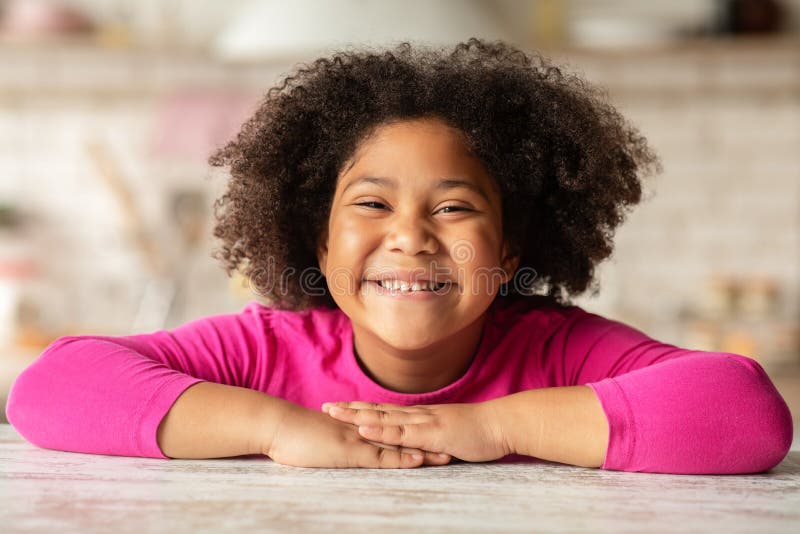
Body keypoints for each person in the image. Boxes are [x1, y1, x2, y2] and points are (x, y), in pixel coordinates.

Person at [6, 39, 793, 474]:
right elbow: (49, 389)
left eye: (453, 208)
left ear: (512, 244)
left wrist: (493, 426)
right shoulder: (261, 349)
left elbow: (743, 411)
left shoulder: (557, 350)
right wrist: (277, 429)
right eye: (372, 204)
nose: (411, 237)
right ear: (317, 238)